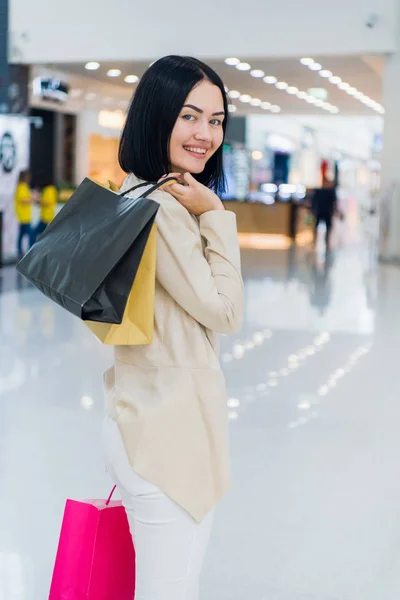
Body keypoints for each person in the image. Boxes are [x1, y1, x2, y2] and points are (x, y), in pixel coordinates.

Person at [101, 55, 244, 600]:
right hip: (168, 439)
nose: (205, 133)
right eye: (189, 116)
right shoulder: (166, 207)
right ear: (157, 116)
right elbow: (226, 312)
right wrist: (214, 214)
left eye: (216, 119)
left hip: (135, 416)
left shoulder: (133, 192)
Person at [311, 177, 338, 250]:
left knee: (328, 228)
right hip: (319, 211)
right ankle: (314, 241)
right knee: (316, 227)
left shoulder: (331, 192)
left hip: (327, 212)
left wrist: (334, 211)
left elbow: (334, 203)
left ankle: (327, 242)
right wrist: (313, 210)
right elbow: (314, 201)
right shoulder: (319, 191)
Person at [14, 171, 35, 257]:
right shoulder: (22, 187)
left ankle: (19, 252)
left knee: (21, 234)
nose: (29, 179)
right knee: (31, 234)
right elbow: (24, 200)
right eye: (28, 177)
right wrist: (33, 198)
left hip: (24, 216)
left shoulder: (23, 187)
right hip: (24, 217)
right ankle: (31, 252)